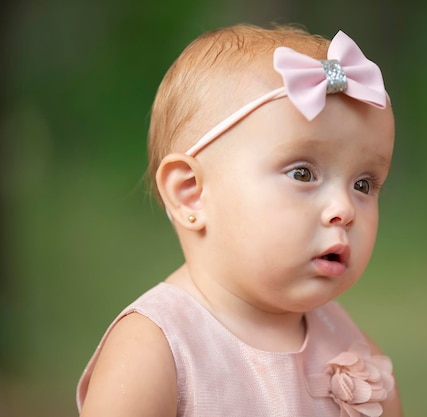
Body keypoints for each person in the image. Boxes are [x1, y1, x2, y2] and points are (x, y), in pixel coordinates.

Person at [76, 23, 402, 417]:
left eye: (364, 184)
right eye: (302, 174)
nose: (345, 209)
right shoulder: (155, 349)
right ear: (191, 192)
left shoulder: (349, 348)